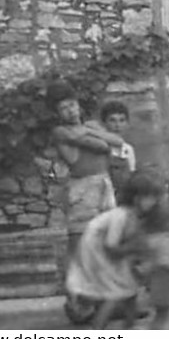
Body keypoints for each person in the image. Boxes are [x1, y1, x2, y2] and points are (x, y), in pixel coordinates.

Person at [64, 171, 167, 329]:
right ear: (137, 198)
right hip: (96, 252)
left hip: (107, 253)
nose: (154, 201)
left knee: (129, 295)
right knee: (115, 294)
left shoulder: (135, 217)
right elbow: (110, 246)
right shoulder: (121, 216)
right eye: (150, 197)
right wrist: (132, 251)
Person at [48, 85, 126, 239]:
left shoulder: (91, 126)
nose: (70, 111)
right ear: (58, 113)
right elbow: (102, 145)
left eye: (72, 105)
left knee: (110, 235)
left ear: (78, 105)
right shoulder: (61, 131)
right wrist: (99, 137)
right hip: (83, 187)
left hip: (105, 182)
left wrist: (89, 130)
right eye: (64, 108)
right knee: (84, 234)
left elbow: (118, 141)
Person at [97, 101, 137, 195]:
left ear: (127, 123)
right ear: (104, 123)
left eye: (121, 120)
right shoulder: (99, 147)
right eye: (112, 120)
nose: (117, 125)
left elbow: (131, 174)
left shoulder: (128, 149)